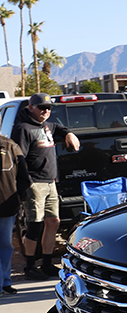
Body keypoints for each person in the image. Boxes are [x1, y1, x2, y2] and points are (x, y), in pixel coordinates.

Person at [11, 93, 80, 280]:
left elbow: (58, 126)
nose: (46, 111)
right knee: (35, 226)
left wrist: (68, 133)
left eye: (49, 108)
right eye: (41, 107)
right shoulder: (23, 129)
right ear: (30, 107)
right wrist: (26, 184)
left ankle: (48, 263)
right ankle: (30, 266)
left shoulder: (47, 126)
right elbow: (19, 160)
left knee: (53, 222)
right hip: (35, 184)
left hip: (51, 183)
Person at [0, 134, 28, 296]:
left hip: (7, 206)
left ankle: (5, 282)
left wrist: (21, 198)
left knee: (5, 245)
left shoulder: (10, 146)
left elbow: (23, 175)